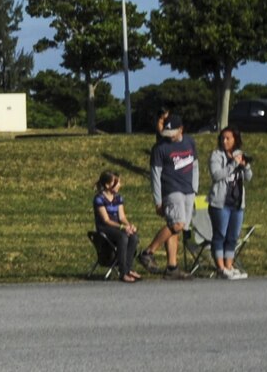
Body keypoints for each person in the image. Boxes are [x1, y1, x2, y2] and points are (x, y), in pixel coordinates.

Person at [145, 113, 198, 278]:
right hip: (171, 189)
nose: (169, 137)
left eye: (172, 133)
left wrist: (195, 188)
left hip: (188, 189)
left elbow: (195, 165)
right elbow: (155, 175)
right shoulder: (160, 148)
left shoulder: (190, 142)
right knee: (177, 224)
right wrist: (158, 200)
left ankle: (172, 267)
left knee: (176, 229)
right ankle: (148, 252)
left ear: (181, 129)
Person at [207, 129, 252, 280]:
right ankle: (220, 268)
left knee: (233, 237)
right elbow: (216, 175)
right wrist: (233, 164)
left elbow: (249, 177)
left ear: (235, 140)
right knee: (220, 235)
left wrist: (245, 165)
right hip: (220, 202)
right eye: (222, 138)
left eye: (228, 138)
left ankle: (229, 265)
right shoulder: (216, 155)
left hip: (237, 203)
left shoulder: (239, 153)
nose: (224, 141)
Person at [93, 171, 142, 282]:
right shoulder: (99, 199)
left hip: (117, 227)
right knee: (123, 237)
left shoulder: (118, 198)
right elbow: (106, 220)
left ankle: (129, 268)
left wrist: (129, 226)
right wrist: (122, 228)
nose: (120, 185)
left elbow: (122, 217)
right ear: (107, 185)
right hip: (105, 228)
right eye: (117, 182)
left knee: (134, 237)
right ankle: (123, 271)